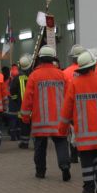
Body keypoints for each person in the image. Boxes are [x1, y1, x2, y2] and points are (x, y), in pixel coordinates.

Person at [59, 51, 97, 193]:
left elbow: (67, 108)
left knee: (86, 160)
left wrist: (62, 129)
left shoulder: (75, 83)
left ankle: (88, 188)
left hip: (83, 131)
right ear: (93, 66)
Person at [20, 46, 71, 181]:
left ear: (39, 59)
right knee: (61, 143)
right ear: (54, 58)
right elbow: (68, 97)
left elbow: (28, 99)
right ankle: (65, 165)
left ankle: (40, 171)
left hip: (40, 120)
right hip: (59, 120)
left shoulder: (34, 76)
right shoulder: (62, 75)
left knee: (40, 147)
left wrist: (25, 116)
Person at [64, 44, 85, 164]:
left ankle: (73, 155)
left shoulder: (65, 72)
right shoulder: (90, 71)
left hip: (71, 107)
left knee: (71, 132)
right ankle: (83, 153)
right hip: (85, 106)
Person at [10, 55, 32, 149]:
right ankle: (37, 143)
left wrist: (16, 100)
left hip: (22, 106)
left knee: (24, 125)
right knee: (34, 125)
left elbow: (12, 91)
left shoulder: (17, 78)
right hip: (34, 106)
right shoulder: (34, 75)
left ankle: (24, 143)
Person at [6, 64, 21, 141]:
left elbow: (6, 92)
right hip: (18, 103)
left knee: (12, 121)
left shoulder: (8, 82)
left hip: (11, 103)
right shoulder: (20, 79)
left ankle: (13, 136)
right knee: (18, 121)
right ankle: (18, 136)